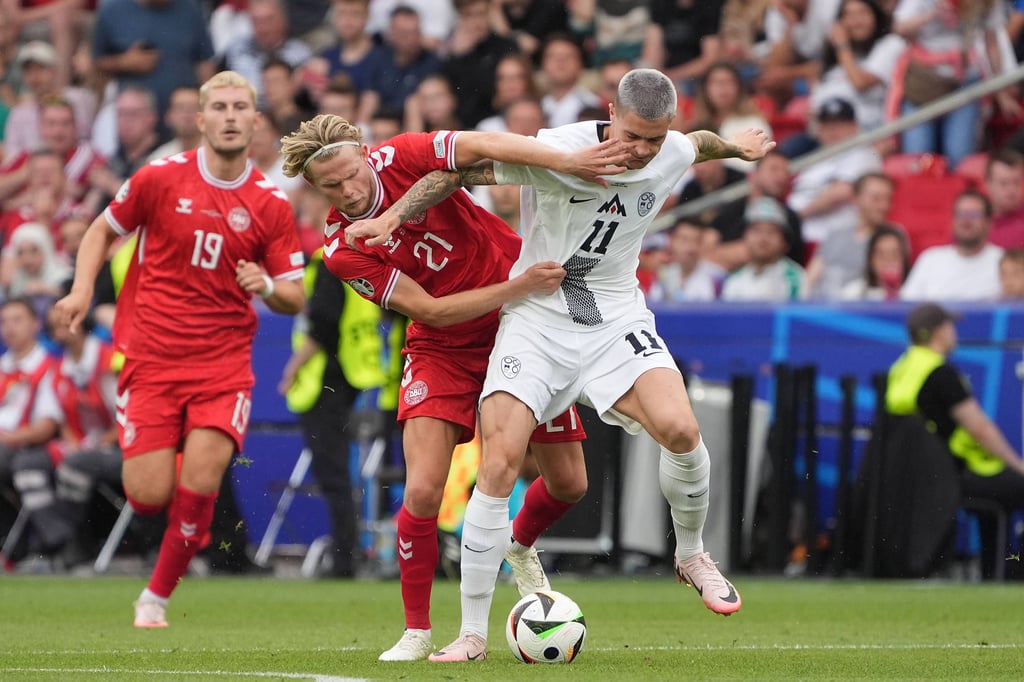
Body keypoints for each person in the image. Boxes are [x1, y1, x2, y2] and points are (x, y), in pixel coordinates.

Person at [348, 68, 772, 661]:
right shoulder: (561, 149)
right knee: (498, 464)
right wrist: (393, 219)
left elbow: (700, 143)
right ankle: (470, 633)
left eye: (653, 139)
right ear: (609, 113)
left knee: (681, 429)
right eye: (631, 136)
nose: (641, 151)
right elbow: (456, 172)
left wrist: (738, 148)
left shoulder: (671, 149)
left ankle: (691, 552)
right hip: (537, 320)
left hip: (616, 316)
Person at [279, 112, 628, 661]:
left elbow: (484, 144)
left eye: (352, 174)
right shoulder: (343, 248)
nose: (348, 190)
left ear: (366, 153)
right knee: (422, 491)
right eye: (331, 185)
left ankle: (517, 545)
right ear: (314, 188)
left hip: (522, 330)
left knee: (568, 485)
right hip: (444, 347)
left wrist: (566, 161)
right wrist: (516, 286)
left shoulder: (402, 156)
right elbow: (432, 312)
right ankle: (417, 631)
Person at [53, 71, 305, 627]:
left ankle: (156, 597)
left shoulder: (270, 204)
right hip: (152, 359)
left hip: (222, 367)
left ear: (257, 121)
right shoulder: (159, 179)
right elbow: (100, 229)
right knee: (146, 494)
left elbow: (294, 292)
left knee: (201, 482)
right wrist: (78, 290)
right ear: (201, 120)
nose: (232, 116)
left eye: (242, 107)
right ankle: (169, 472)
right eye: (220, 107)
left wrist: (264, 286)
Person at [885, 302, 1024, 579]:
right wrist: (1018, 465)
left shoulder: (901, 368)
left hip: (913, 480)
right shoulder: (941, 373)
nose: (954, 334)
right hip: (952, 474)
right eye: (949, 327)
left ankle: (993, 570)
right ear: (936, 333)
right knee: (1014, 487)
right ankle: (999, 572)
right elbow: (980, 429)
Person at [0, 297, 66, 561]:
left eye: (17, 320)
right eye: (4, 322)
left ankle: (41, 546)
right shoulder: (3, 366)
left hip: (29, 447)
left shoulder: (47, 366)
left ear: (36, 325)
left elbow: (47, 427)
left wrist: (10, 438)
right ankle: (11, 545)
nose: (9, 328)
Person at [901, 189, 1004, 301]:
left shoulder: (1003, 260)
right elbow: (906, 306)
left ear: (989, 222)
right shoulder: (930, 259)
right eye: (960, 214)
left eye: (974, 214)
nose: (966, 220)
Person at [721, 196, 808, 302]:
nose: (763, 238)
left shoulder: (795, 279)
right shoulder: (734, 279)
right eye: (756, 231)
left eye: (771, 232)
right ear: (744, 236)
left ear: (784, 241)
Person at [839, 223, 911, 300]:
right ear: (871, 259)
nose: (888, 260)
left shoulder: (914, 292)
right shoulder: (852, 294)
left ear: (904, 259)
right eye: (881, 255)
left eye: (894, 254)